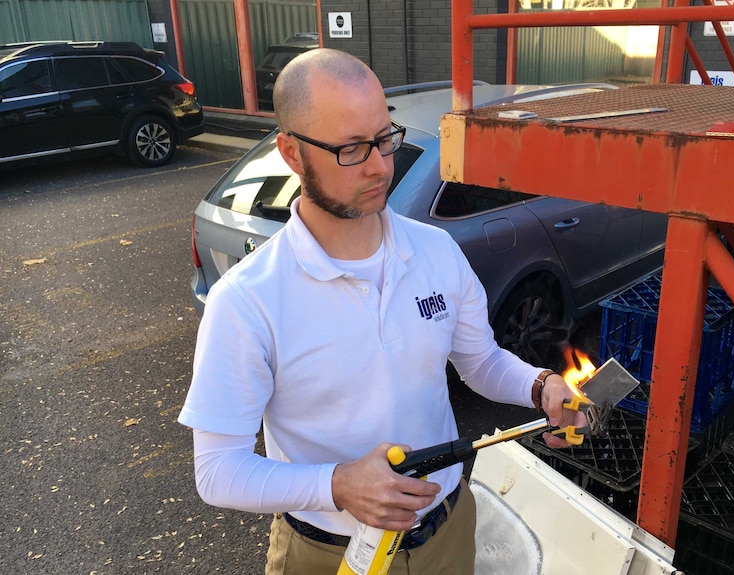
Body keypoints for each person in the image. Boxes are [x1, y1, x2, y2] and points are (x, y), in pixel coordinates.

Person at [178, 48, 583, 575]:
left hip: (448, 532)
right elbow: (217, 471)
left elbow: (480, 363)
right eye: (351, 149)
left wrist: (541, 385)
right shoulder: (247, 300)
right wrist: (338, 485)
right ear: (292, 154)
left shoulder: (436, 252)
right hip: (328, 553)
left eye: (384, 138)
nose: (379, 166)